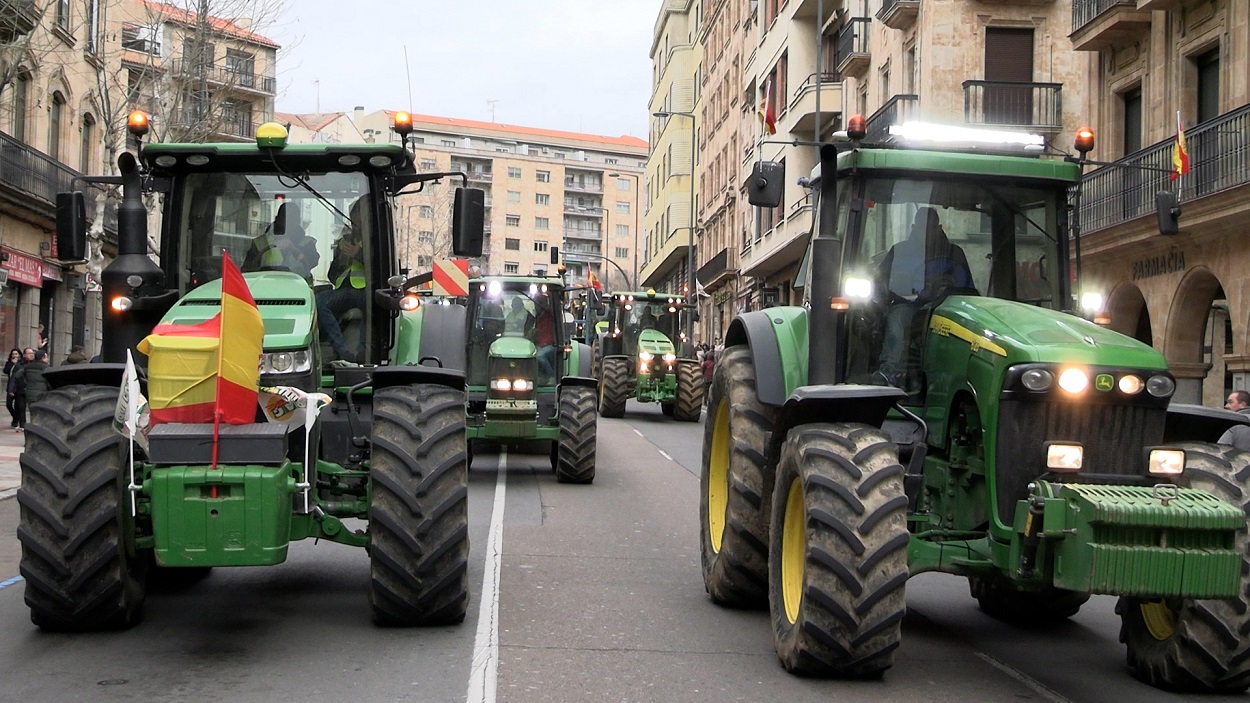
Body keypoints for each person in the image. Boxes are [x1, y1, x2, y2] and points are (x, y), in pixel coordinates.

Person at [876, 207, 975, 386]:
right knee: (897, 318)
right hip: (910, 306)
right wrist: (889, 292)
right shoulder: (899, 251)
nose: (926, 232)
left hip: (946, 307)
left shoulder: (954, 254)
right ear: (914, 227)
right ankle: (889, 372)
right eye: (922, 228)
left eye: (930, 228)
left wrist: (946, 287)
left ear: (939, 227)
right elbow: (879, 280)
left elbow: (967, 289)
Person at [317, 210, 368, 363]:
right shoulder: (344, 241)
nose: (354, 222)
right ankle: (342, 351)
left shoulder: (374, 239)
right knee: (319, 302)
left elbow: (381, 267)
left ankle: (362, 354)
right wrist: (341, 258)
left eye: (357, 218)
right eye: (353, 219)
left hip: (367, 291)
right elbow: (332, 275)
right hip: (345, 291)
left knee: (373, 308)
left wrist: (357, 254)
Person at [245, 202, 319, 281]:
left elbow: (312, 262)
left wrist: (295, 249)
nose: (288, 222)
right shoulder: (261, 243)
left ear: (298, 221)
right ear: (277, 218)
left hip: (300, 290)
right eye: (285, 217)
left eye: (293, 218)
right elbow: (248, 270)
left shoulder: (308, 243)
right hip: (266, 289)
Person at [10, 347, 34, 431]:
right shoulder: (19, 364)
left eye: (32, 353)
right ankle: (22, 425)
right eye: (29, 353)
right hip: (21, 389)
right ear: (24, 355)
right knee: (21, 408)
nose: (31, 355)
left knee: (32, 408)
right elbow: (14, 377)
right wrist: (11, 389)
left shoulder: (35, 364)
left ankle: (33, 425)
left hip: (31, 389)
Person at [4, 348, 20, 428]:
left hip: (18, 387)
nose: (14, 355)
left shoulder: (21, 363)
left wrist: (17, 364)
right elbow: (5, 371)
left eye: (16, 354)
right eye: (13, 354)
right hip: (10, 386)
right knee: (9, 404)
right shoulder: (9, 363)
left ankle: (15, 422)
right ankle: (15, 417)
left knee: (17, 405)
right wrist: (12, 364)